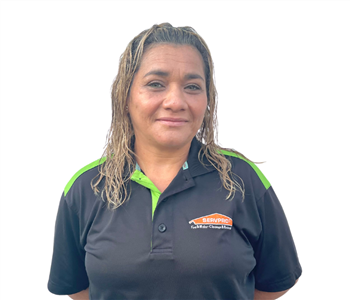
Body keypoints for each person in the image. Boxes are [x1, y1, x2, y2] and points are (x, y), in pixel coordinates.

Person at [47, 23, 302, 300]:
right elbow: (76, 287)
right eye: (156, 84)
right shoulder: (87, 187)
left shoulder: (242, 180)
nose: (175, 101)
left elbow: (276, 281)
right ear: (125, 94)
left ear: (207, 99)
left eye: (192, 86)